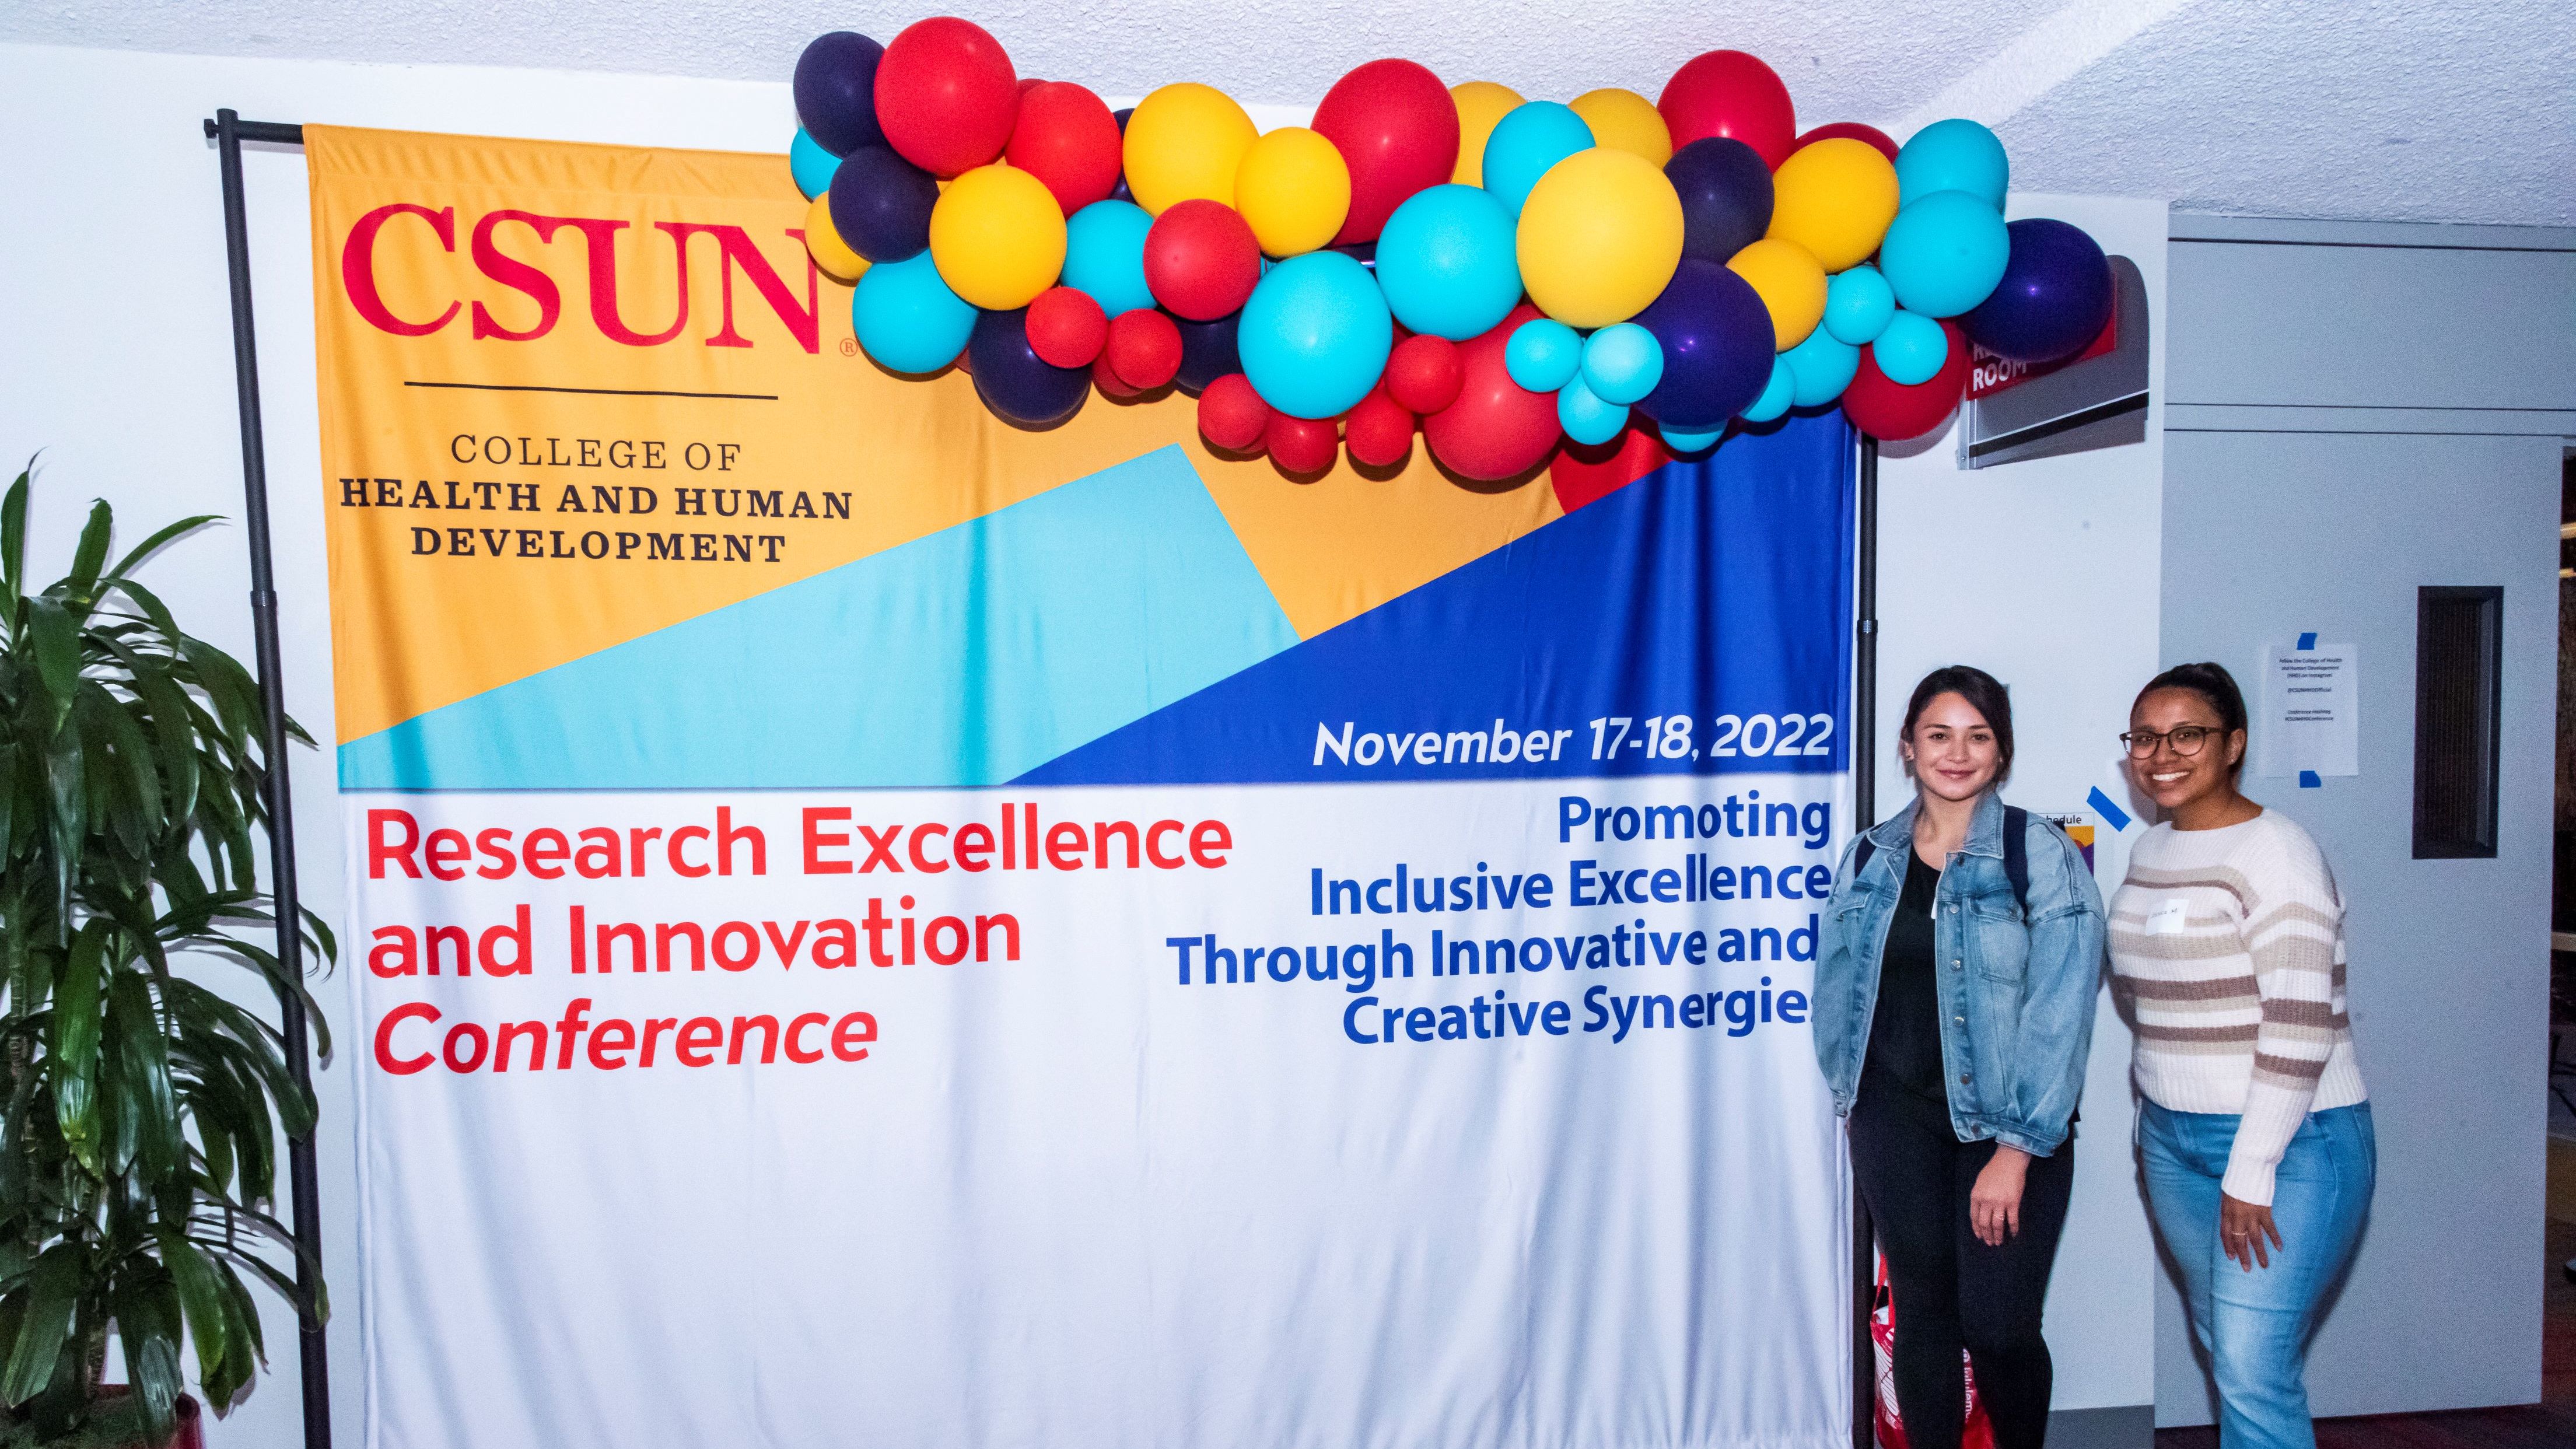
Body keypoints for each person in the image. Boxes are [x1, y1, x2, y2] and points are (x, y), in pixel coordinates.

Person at [1815, 666, 2106, 1449]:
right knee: (1924, 1313)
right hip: (1893, 1121)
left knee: (2001, 1326)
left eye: (1978, 736)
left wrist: (2016, 1150)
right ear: (1908, 747)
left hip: (2006, 1128)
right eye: (1939, 735)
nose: (1957, 752)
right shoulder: (1869, 855)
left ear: (2001, 752)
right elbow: (1839, 985)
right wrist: (1854, 1092)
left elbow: (2062, 1009)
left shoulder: (2039, 855)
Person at [2112, 662, 2372, 1449]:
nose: (2162, 753)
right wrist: (2157, 1111)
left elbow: (2299, 1028)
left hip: (2290, 1145)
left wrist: (2251, 1167)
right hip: (2173, 1139)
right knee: (2230, 1349)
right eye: (2145, 737)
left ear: (2235, 744)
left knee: (2254, 1369)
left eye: (2187, 733)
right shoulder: (2150, 851)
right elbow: (2147, 997)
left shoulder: (2279, 853)